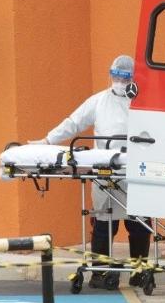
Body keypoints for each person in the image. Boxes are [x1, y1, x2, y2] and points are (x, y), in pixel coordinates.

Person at [29, 54, 151, 289]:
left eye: (124, 77)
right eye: (116, 76)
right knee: (104, 223)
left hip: (134, 170)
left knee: (138, 224)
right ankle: (99, 272)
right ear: (110, 75)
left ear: (133, 78)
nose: (119, 81)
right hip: (104, 169)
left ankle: (139, 270)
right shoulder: (98, 102)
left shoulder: (143, 103)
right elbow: (73, 123)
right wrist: (47, 141)